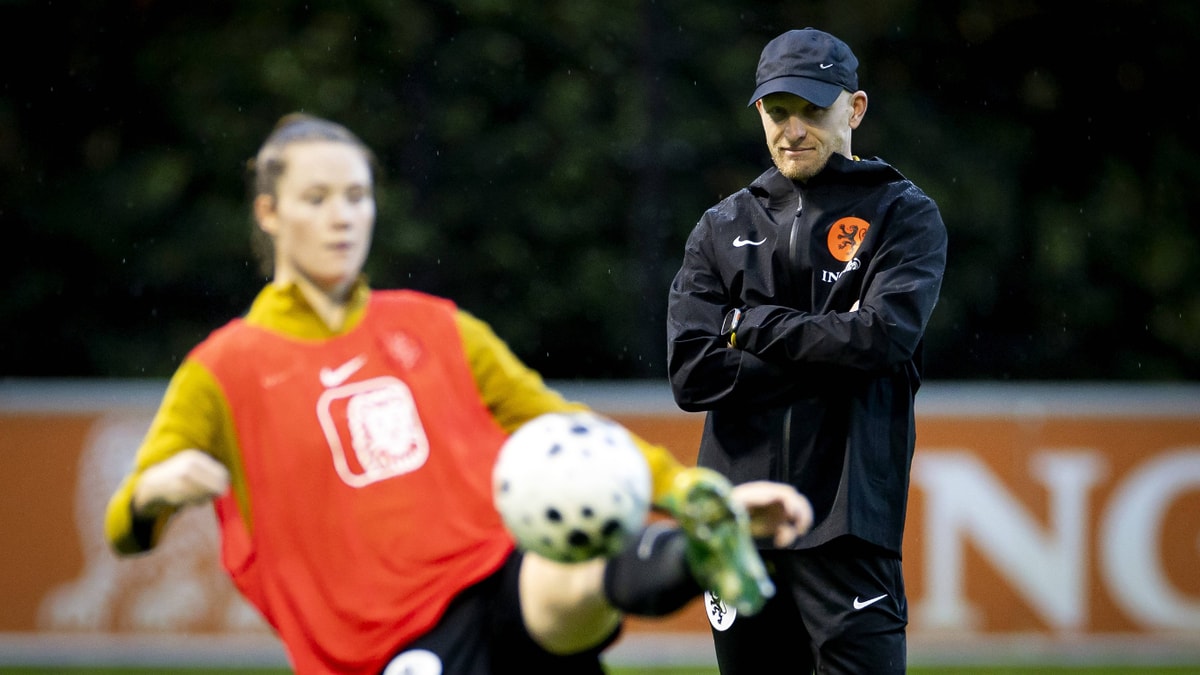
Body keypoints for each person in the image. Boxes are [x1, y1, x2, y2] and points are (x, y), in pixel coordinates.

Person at [104, 112, 813, 675]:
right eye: (316, 199)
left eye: (356, 195)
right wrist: (150, 494)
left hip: (494, 576)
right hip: (380, 645)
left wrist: (693, 490)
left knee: (569, 580)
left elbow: (563, 423)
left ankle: (703, 544)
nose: (342, 216)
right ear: (268, 213)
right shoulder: (222, 369)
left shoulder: (433, 325)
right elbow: (124, 524)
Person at [666, 27, 948, 674]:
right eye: (777, 110)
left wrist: (751, 323)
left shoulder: (904, 215)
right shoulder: (721, 225)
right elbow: (692, 374)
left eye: (813, 110)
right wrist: (831, 343)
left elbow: (883, 337)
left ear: (855, 109)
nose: (793, 129)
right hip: (739, 526)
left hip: (849, 523)